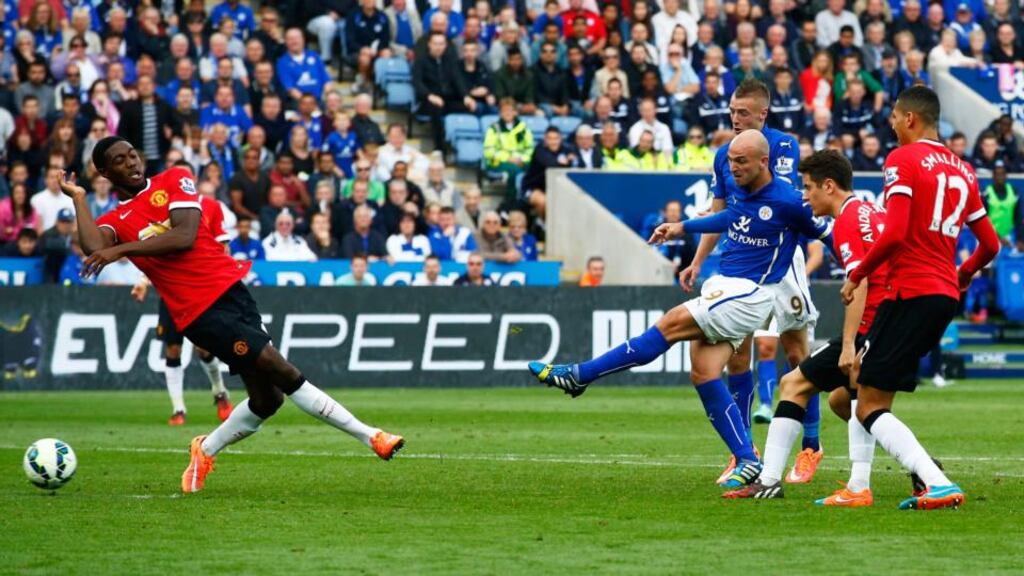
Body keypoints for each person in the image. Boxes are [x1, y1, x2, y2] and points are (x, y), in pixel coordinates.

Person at [60, 137, 404, 492]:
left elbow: (184, 235)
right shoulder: (117, 218)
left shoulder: (175, 178)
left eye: (132, 154)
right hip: (201, 313)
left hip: (233, 292)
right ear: (104, 172)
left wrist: (122, 250)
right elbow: (93, 246)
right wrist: (80, 199)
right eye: (119, 160)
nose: (131, 162)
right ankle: (371, 436)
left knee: (267, 399)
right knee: (279, 367)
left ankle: (204, 449)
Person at [530, 130, 830, 492]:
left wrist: (860, 270)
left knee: (670, 324)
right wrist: (680, 227)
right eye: (731, 160)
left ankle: (581, 374)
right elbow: (727, 219)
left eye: (741, 161)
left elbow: (826, 233)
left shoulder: (788, 200)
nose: (732, 167)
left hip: (751, 294)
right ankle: (747, 458)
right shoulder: (743, 192)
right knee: (703, 372)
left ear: (763, 162)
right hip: (729, 288)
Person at [833, 87, 997, 509]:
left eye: (893, 116)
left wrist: (860, 273)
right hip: (942, 295)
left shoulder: (902, 160)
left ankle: (935, 481)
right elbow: (991, 245)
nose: (889, 123)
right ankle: (857, 487)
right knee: (861, 386)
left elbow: (897, 231)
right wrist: (960, 275)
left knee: (867, 403)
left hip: (910, 291)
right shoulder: (964, 170)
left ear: (910, 119)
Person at [686, 79, 827, 485]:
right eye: (732, 111)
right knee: (736, 355)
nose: (734, 118)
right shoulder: (723, 157)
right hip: (741, 263)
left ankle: (811, 446)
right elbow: (721, 212)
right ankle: (744, 452)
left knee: (798, 353)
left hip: (783, 259)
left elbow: (780, 201)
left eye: (743, 112)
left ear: (762, 114)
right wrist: (698, 260)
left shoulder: (782, 147)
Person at [724, 150, 884, 505]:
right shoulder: (871, 212)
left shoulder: (846, 220)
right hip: (897, 320)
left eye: (809, 187)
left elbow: (863, 283)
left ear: (829, 186)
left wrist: (848, 344)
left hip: (877, 327)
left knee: (798, 381)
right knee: (846, 401)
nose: (804, 195)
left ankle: (789, 475)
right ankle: (918, 471)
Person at [483, 98, 534, 202]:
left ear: (515, 112)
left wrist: (521, 159)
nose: (507, 113)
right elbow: (488, 151)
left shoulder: (523, 128)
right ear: (500, 113)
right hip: (499, 163)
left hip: (521, 161)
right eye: (504, 111)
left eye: (510, 110)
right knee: (515, 171)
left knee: (534, 170)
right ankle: (511, 202)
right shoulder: (494, 128)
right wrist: (508, 158)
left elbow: (530, 149)